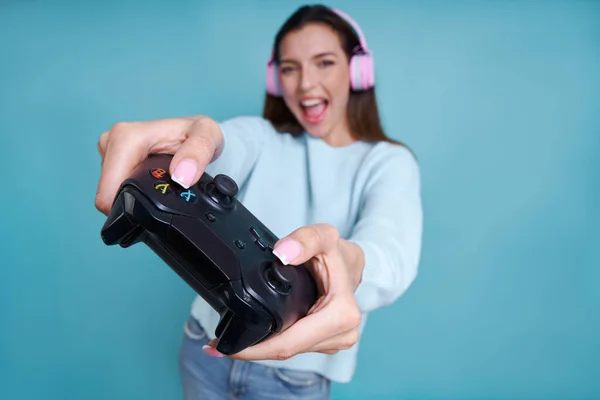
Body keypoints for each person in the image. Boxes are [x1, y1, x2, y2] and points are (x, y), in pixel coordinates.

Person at [95, 4, 422, 400]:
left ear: (358, 71)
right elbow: (225, 145)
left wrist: (345, 264)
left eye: (324, 63)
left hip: (293, 379)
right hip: (205, 347)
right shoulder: (262, 135)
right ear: (275, 79)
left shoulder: (386, 161)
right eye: (289, 68)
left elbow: (391, 254)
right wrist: (196, 143)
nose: (305, 84)